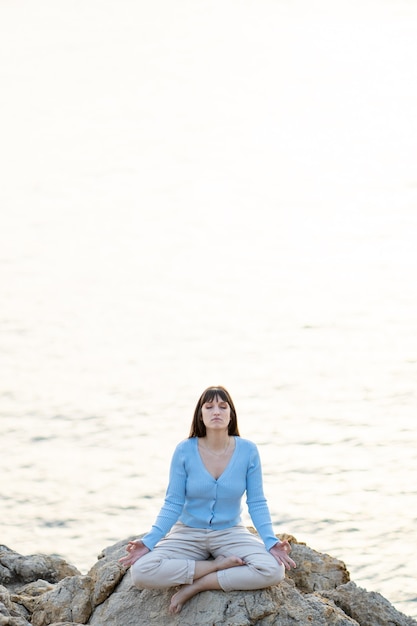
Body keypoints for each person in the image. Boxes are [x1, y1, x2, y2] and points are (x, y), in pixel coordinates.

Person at [119, 385, 296, 614]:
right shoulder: (184, 450)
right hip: (187, 533)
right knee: (141, 572)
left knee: (273, 570)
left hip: (230, 533)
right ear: (200, 414)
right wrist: (149, 541)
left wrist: (271, 542)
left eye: (223, 407)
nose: (216, 411)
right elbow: (172, 503)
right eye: (209, 406)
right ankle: (216, 566)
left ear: (231, 414)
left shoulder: (248, 451)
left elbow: (257, 502)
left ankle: (201, 583)